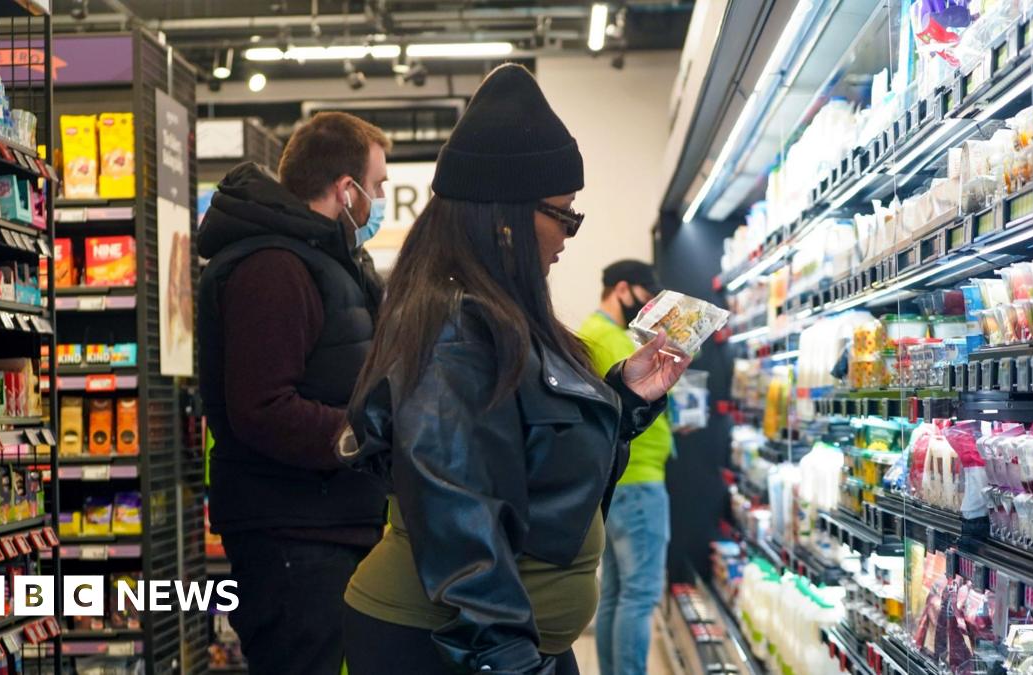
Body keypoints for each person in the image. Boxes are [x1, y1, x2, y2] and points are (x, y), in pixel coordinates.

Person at [340, 63, 691, 675]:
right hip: (449, 650)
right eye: (564, 214)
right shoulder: (454, 331)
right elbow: (457, 519)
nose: (570, 235)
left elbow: (538, 472)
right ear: (505, 217)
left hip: (505, 644)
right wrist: (509, 659)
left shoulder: (500, 317)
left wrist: (625, 401)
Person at [196, 112, 391, 674]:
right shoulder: (273, 268)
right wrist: (358, 436)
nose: (378, 200)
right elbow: (261, 407)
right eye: (376, 186)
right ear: (344, 188)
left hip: (324, 522)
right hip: (292, 536)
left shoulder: (326, 262)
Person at [580, 261, 674, 675]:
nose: (648, 306)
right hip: (639, 481)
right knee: (639, 595)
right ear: (621, 289)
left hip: (618, 481)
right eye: (645, 295)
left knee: (617, 594)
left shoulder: (591, 333)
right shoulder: (612, 339)